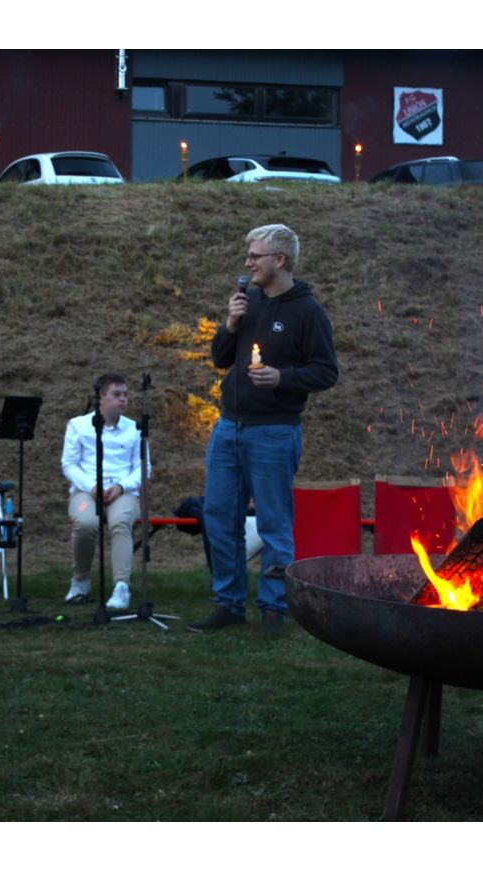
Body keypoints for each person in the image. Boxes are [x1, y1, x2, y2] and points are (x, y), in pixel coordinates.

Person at [189, 224, 339, 634]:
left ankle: (275, 610)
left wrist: (283, 378)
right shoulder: (247, 301)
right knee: (219, 517)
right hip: (228, 429)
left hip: (273, 433)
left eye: (255, 255)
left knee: (273, 524)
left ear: (280, 260)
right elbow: (222, 359)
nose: (248, 262)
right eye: (248, 255)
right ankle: (229, 604)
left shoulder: (308, 312)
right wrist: (231, 324)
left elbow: (327, 372)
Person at [60, 374, 147, 609]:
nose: (123, 400)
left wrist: (121, 487)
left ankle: (121, 586)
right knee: (86, 522)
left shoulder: (134, 428)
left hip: (123, 492)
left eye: (126, 395)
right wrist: (91, 486)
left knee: (120, 522)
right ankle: (80, 580)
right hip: (86, 491)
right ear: (101, 397)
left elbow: (144, 468)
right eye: (116, 395)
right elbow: (69, 464)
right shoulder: (78, 425)